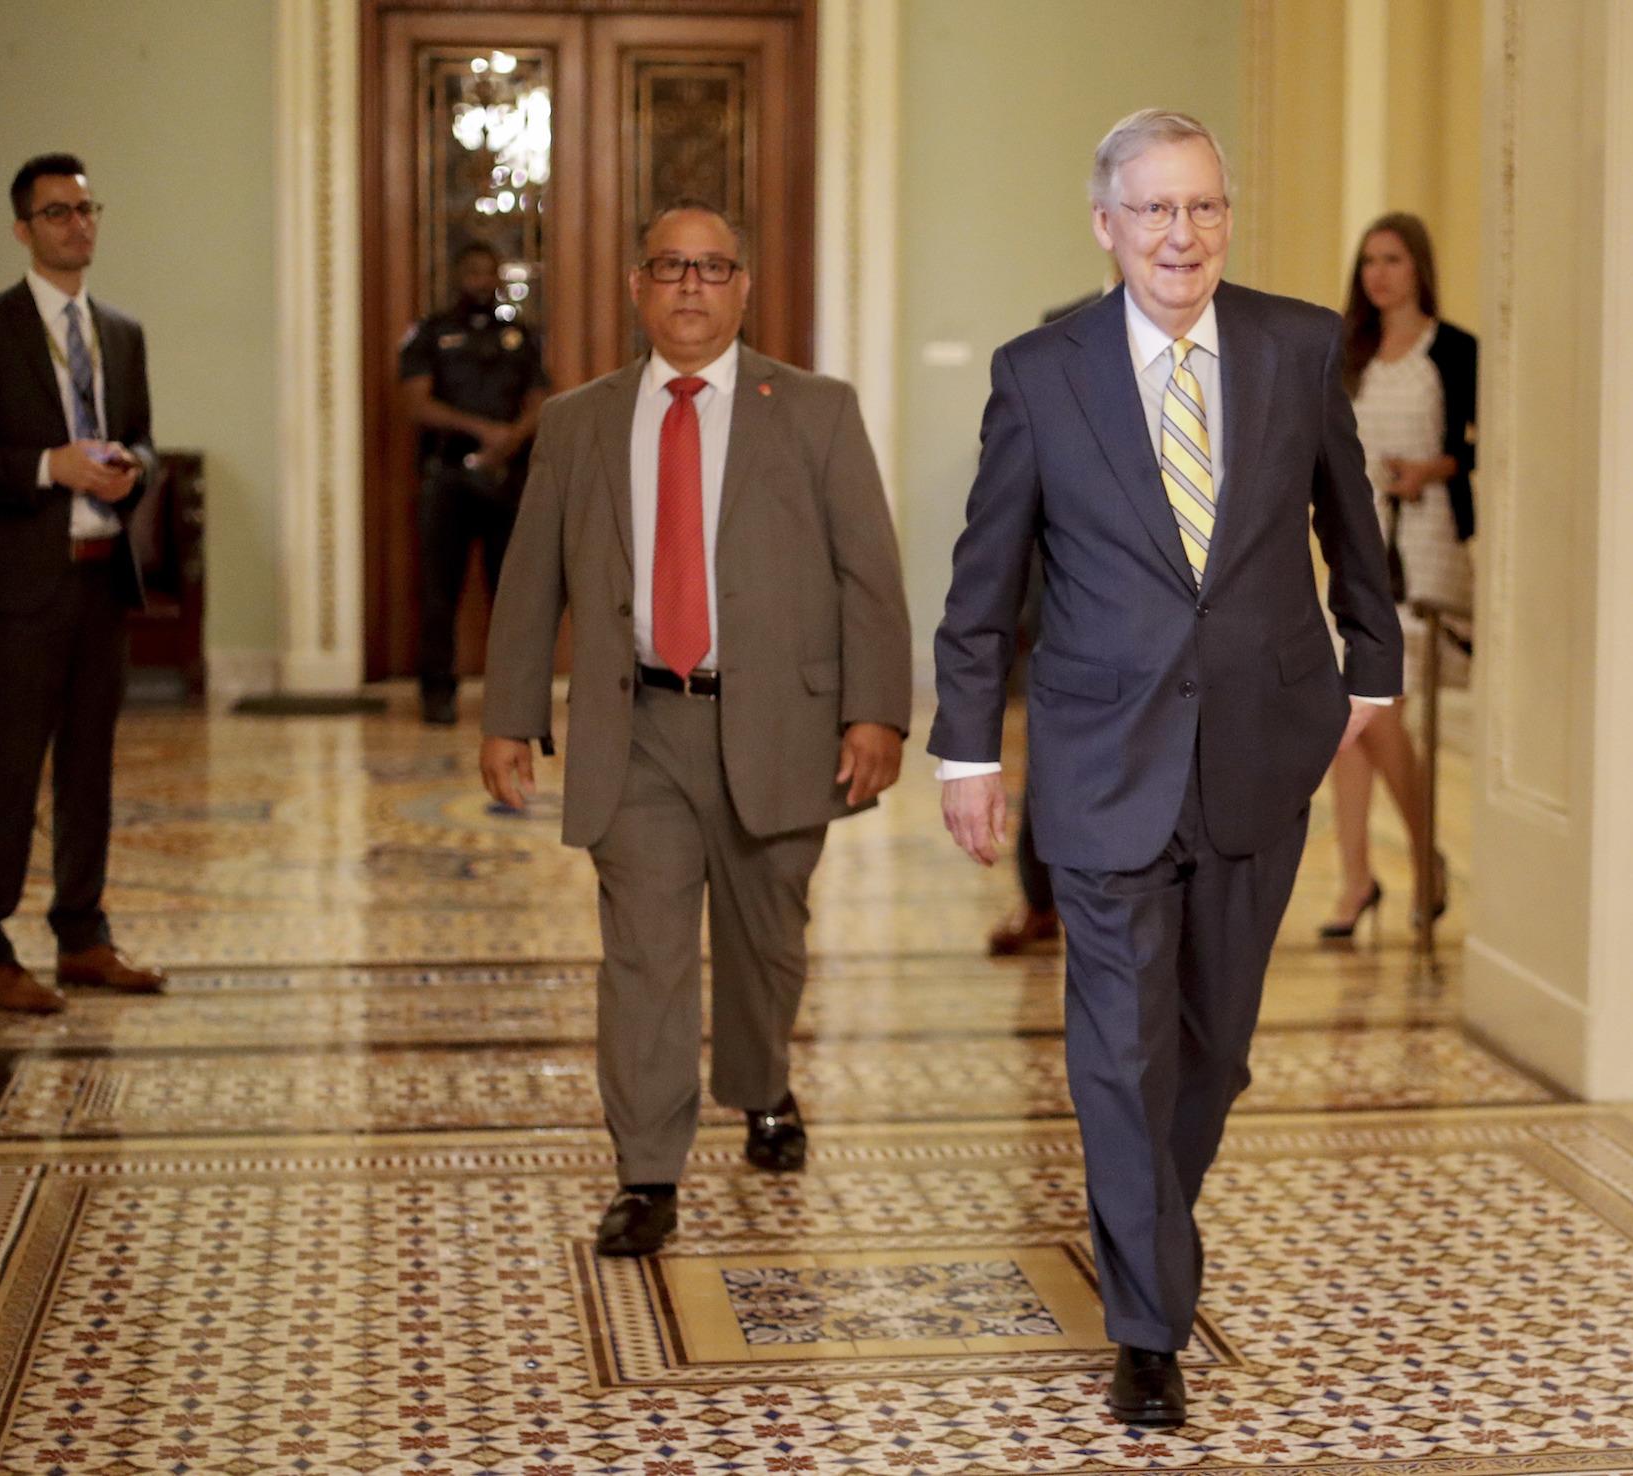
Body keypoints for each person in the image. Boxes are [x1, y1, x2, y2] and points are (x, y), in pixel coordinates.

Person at [931, 111, 1401, 1427]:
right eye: (1154, 211)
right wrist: (968, 748)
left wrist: (1374, 668)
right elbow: (987, 583)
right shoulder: (1041, 373)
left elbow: (1348, 519)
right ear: (1106, 225)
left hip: (1262, 747)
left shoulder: (1297, 344)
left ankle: (1146, 1226)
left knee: (1217, 1050)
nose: (1180, 236)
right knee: (1120, 1050)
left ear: (1225, 220)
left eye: (1201, 209)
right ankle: (1150, 1321)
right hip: (1100, 757)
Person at [480, 200, 911, 1258]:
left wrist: (876, 713)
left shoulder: (813, 410)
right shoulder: (580, 421)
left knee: (766, 947)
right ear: (637, 285)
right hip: (638, 729)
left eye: (712, 268)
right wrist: (509, 715)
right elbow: (531, 578)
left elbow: (870, 575)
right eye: (669, 266)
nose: (688, 286)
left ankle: (762, 1086)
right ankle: (647, 1172)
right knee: (644, 955)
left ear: (743, 289)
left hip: (777, 727)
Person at [0, 153, 169, 1014]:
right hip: (22, 590)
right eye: (56, 213)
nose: (76, 225)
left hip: (100, 582)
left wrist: (134, 470)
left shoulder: (120, 332)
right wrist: (50, 466)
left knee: (91, 769)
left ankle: (82, 936)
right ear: (24, 229)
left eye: (86, 209)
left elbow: (145, 439)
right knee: (10, 768)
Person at [1319, 213, 1478, 939]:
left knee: (1380, 711)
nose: (1378, 273)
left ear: (1419, 267)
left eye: (1392, 259)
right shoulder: (1347, 352)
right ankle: (1356, 881)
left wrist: (1432, 470)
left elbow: (1485, 445)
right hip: (1359, 548)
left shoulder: (1456, 350)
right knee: (1346, 725)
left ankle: (1425, 858)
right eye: (1369, 261)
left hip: (1427, 540)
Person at [987, 287, 1106, 959]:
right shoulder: (1052, 355)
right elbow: (1020, 515)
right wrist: (1023, 612)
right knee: (1050, 766)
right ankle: (1040, 902)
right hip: (1062, 613)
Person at [399, 240, 550, 726]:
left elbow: (542, 399)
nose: (480, 282)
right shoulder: (431, 333)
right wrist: (482, 431)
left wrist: (508, 441)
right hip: (447, 478)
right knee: (439, 592)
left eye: (489, 274)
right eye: (472, 272)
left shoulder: (519, 336)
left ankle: (513, 696)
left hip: (506, 479)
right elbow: (415, 403)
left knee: (512, 594)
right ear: (458, 275)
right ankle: (437, 694)